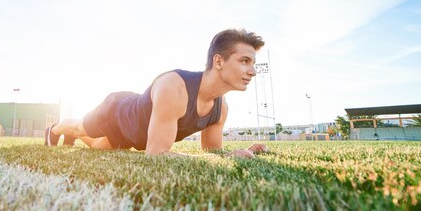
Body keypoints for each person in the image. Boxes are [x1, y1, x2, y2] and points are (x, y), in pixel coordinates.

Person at [45, 28, 268, 158]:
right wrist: (224, 160)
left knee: (97, 146)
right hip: (118, 112)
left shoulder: (221, 108)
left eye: (254, 63)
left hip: (138, 136)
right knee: (81, 126)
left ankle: (73, 135)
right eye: (245, 61)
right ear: (218, 61)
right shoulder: (175, 87)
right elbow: (156, 155)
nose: (253, 71)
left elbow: (212, 153)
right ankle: (56, 129)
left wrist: (241, 152)